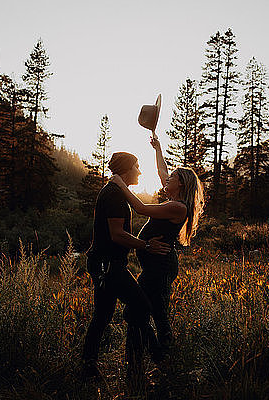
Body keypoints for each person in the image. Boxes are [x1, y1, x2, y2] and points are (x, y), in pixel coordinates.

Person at [111, 135, 204, 354]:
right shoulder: (174, 199)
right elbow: (163, 173)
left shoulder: (179, 207)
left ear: (180, 184)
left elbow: (141, 208)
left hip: (160, 267)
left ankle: (164, 356)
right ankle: (156, 354)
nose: (166, 179)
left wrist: (120, 184)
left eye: (172, 178)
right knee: (142, 310)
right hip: (154, 266)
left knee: (157, 313)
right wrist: (158, 149)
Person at [81, 151, 169, 381]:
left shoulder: (115, 191)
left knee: (103, 314)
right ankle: (151, 361)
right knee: (141, 306)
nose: (140, 171)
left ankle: (88, 365)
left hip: (105, 263)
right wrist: (145, 245)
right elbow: (117, 235)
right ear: (126, 169)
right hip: (108, 266)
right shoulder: (114, 195)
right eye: (137, 167)